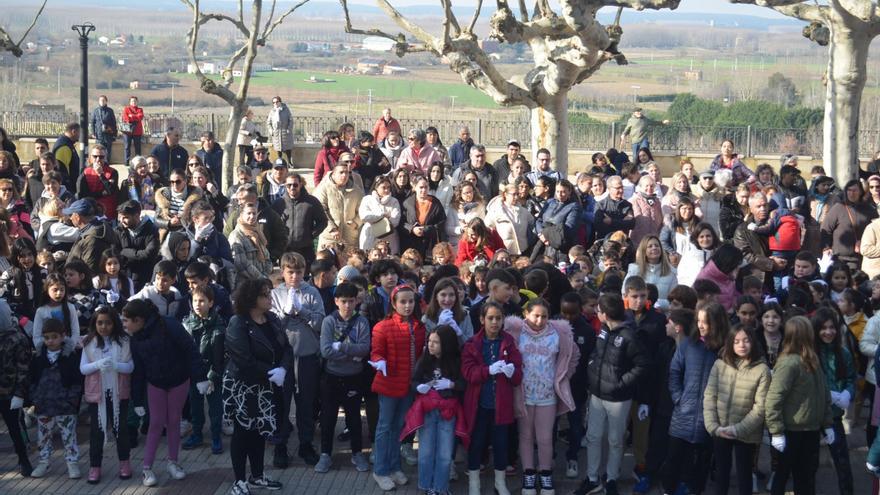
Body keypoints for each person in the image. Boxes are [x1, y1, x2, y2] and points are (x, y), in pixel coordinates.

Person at [122, 298, 209, 487]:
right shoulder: (135, 339)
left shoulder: (168, 324)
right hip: (156, 383)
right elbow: (138, 371)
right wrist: (137, 400)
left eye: (127, 320)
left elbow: (190, 350)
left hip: (179, 380)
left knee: (174, 421)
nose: (124, 324)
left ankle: (173, 462)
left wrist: (201, 377)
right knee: (156, 422)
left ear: (138, 320)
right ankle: (147, 468)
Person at [576, 293, 649, 495]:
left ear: (605, 313)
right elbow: (596, 353)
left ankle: (611, 479)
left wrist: (621, 383)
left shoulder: (629, 336)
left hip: (618, 399)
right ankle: (592, 478)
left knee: (616, 440)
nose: (596, 313)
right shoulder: (603, 330)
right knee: (593, 436)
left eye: (598, 310)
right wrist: (592, 368)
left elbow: (642, 365)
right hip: (597, 394)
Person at [224, 279, 292, 493]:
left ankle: (257, 475)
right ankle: (239, 480)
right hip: (244, 386)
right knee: (243, 433)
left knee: (260, 431)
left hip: (267, 385)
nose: (270, 297)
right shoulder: (238, 322)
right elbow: (243, 359)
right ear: (252, 299)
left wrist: (283, 368)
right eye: (265, 294)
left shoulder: (272, 318)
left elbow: (286, 348)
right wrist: (272, 372)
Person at [505, 298, 579, 495]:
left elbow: (572, 356)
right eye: (535, 315)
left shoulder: (558, 334)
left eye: (544, 316)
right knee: (526, 435)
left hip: (547, 395)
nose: (539, 320)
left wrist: (562, 377)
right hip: (524, 394)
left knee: (545, 438)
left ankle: (545, 473)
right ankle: (529, 473)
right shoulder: (516, 333)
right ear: (526, 314)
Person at [765, 316, 834, 495]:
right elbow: (774, 399)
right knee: (782, 475)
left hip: (810, 429)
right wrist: (777, 432)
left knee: (806, 477)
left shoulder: (812, 359)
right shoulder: (789, 363)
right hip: (791, 431)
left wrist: (827, 424)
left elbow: (823, 392)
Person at [270, 252, 326, 468]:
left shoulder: (312, 292)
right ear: (283, 272)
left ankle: (306, 444)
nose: (294, 276)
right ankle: (280, 445)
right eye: (290, 272)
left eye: (299, 272)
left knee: (306, 403)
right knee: (281, 404)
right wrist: (284, 314)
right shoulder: (275, 294)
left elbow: (320, 322)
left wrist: (303, 312)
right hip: (283, 358)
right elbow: (272, 325)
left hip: (307, 355)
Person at [662, 302, 724, 495]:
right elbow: (674, 372)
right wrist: (678, 397)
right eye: (699, 321)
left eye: (706, 322)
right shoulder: (688, 345)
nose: (701, 326)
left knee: (701, 463)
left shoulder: (725, 350)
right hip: (684, 413)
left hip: (709, 418)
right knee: (673, 459)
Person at [369, 284, 425, 491]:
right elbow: (376, 352)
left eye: (411, 301)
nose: (407, 305)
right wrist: (379, 361)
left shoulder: (419, 327)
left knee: (399, 428)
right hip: (389, 384)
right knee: (385, 427)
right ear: (393, 303)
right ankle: (381, 470)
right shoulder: (382, 327)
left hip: (409, 387)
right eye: (403, 301)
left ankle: (394, 466)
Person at [702, 325, 771, 495]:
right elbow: (710, 396)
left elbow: (760, 407)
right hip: (721, 429)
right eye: (737, 341)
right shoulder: (720, 365)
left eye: (746, 340)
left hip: (746, 433)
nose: (742, 345)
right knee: (721, 475)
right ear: (730, 343)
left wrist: (738, 429)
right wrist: (713, 427)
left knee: (744, 476)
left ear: (753, 343)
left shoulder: (762, 370)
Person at [401, 324, 467, 495]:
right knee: (426, 451)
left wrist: (451, 384)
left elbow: (463, 384)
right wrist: (419, 387)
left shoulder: (456, 361)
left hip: (447, 411)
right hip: (428, 410)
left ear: (446, 344)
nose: (430, 345)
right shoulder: (424, 360)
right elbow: (413, 382)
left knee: (445, 453)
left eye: (435, 342)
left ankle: (440, 486)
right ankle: (426, 484)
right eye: (429, 341)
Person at [315, 281, 371, 473]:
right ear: (336, 301)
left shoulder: (362, 322)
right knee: (329, 418)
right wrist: (351, 354)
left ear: (357, 301)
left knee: (354, 418)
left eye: (351, 301)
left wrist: (343, 347)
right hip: (332, 377)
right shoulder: (329, 321)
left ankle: (357, 453)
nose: (348, 306)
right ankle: (325, 454)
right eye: (344, 301)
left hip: (354, 377)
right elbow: (326, 350)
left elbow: (364, 349)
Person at [80, 306, 134, 484]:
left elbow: (130, 366)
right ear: (94, 323)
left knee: (121, 429)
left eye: (108, 323)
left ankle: (124, 463)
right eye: (100, 323)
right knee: (97, 431)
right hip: (98, 395)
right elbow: (83, 369)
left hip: (119, 393)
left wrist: (116, 366)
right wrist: (99, 364)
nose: (104, 326)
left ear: (114, 323)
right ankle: (95, 466)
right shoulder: (89, 342)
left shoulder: (124, 341)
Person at [26, 318, 82, 480]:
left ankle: (72, 462)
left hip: (65, 406)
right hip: (43, 405)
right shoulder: (38, 358)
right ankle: (43, 461)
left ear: (63, 336)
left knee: (69, 435)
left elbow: (77, 381)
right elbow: (32, 380)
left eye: (54, 336)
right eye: (47, 337)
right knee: (43, 436)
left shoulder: (70, 357)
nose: (50, 341)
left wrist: (72, 399)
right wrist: (35, 397)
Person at [812, 307, 856, 495]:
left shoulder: (843, 352)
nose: (828, 332)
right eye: (823, 328)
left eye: (832, 327)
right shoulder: (810, 354)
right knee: (809, 465)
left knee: (842, 463)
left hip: (835, 416)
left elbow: (851, 378)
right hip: (812, 419)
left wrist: (847, 393)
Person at [180, 285, 227, 454]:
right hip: (195, 375)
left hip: (213, 374)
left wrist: (213, 377)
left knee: (215, 408)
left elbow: (222, 355)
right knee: (195, 406)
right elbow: (185, 352)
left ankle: (215, 436)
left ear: (211, 302)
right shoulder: (187, 324)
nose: (198, 304)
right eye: (195, 301)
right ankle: (197, 434)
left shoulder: (219, 325)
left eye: (202, 301)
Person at [0, 298, 33, 478]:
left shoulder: (17, 339)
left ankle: (24, 459)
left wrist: (19, 394)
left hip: (9, 393)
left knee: (15, 428)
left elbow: (24, 369)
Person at [822, 179, 878, 272]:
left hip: (861, 257)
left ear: (860, 192)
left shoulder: (869, 209)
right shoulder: (838, 207)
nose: (851, 193)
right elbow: (826, 229)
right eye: (849, 190)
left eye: (855, 190)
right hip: (839, 258)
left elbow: (876, 230)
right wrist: (826, 247)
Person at [315, 162, 365, 253]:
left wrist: (356, 223)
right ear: (333, 174)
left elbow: (363, 210)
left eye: (347, 172)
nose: (344, 175)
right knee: (327, 265)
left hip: (350, 237)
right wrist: (332, 228)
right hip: (330, 237)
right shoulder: (323, 188)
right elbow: (319, 209)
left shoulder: (356, 190)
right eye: (341, 172)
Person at [535, 179, 582, 264]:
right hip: (543, 243)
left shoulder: (574, 207)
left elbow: (569, 228)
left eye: (563, 192)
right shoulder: (550, 202)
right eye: (557, 191)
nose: (560, 195)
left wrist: (547, 234)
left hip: (561, 248)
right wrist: (541, 234)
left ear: (569, 192)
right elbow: (539, 220)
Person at [623, 235, 677, 306]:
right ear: (644, 251)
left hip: (661, 314)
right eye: (650, 246)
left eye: (657, 245)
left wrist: (657, 303)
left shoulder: (671, 272)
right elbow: (624, 293)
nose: (654, 248)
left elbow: (674, 301)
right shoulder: (634, 270)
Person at [402, 176, 446, 261]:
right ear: (414, 188)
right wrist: (412, 229)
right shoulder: (407, 203)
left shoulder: (435, 203)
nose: (424, 190)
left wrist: (426, 230)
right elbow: (402, 222)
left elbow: (442, 222)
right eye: (421, 187)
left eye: (426, 187)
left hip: (429, 244)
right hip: (411, 243)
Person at [229, 203, 273, 286]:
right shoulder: (236, 236)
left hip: (261, 282)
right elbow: (241, 264)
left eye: (254, 213)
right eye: (249, 213)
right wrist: (261, 278)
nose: (252, 216)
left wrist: (265, 275)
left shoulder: (258, 232)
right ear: (242, 215)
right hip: (246, 284)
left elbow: (267, 256)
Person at [32, 273, 80, 348]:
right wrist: (43, 350)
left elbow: (75, 332)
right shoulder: (41, 311)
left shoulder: (70, 307)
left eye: (62, 290)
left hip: (66, 349)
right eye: (55, 290)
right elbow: (36, 336)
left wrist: (70, 347)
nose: (59, 293)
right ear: (47, 290)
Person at [485, 183, 533, 256]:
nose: (516, 197)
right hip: (505, 253)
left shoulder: (524, 211)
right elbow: (487, 228)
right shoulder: (495, 210)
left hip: (523, 252)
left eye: (517, 194)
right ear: (505, 194)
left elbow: (533, 224)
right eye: (513, 194)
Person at [155, 168, 203, 240]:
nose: (174, 184)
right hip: (168, 234)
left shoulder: (196, 195)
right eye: (172, 182)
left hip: (189, 233)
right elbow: (156, 219)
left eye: (178, 182)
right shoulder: (163, 195)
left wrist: (183, 221)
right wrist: (169, 223)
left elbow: (202, 216)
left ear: (185, 181)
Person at [359, 176, 402, 253]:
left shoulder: (394, 201)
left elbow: (395, 220)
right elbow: (364, 216)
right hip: (370, 234)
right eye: (383, 187)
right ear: (376, 187)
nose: (386, 190)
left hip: (389, 236)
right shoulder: (367, 199)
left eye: (388, 187)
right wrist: (382, 215)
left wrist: (376, 220)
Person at [76, 144, 120, 219]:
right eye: (95, 156)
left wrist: (101, 174)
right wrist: (102, 193)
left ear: (105, 158)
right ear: (90, 157)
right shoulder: (85, 171)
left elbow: (110, 190)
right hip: (91, 211)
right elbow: (82, 194)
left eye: (101, 157)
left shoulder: (113, 172)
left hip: (108, 213)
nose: (98, 159)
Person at [660, 196, 700, 267]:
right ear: (679, 209)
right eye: (684, 208)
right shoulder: (671, 222)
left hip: (694, 260)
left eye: (690, 208)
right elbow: (662, 241)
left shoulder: (697, 223)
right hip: (677, 261)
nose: (687, 211)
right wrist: (672, 253)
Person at [594, 175, 635, 241]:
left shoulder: (627, 205)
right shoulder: (601, 205)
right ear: (609, 189)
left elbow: (631, 224)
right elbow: (598, 226)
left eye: (622, 187)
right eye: (617, 188)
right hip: (605, 242)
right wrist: (622, 222)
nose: (621, 190)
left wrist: (611, 221)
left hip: (623, 243)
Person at [630, 175, 663, 247]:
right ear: (641, 187)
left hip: (654, 240)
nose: (649, 188)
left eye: (652, 186)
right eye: (646, 186)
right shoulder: (635, 200)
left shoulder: (657, 202)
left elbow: (660, 221)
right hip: (638, 240)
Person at [51, 122, 81, 187]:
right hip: (67, 187)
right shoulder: (64, 147)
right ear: (74, 132)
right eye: (79, 133)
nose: (80, 135)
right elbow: (61, 170)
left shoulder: (67, 144)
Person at [90, 95, 118, 164]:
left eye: (103, 100)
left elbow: (114, 122)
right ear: (99, 101)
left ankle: (107, 164)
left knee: (108, 151)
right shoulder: (96, 111)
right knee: (98, 150)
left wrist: (114, 133)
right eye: (100, 100)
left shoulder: (110, 111)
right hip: (99, 135)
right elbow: (93, 122)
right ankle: (98, 163)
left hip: (108, 134)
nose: (102, 102)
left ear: (106, 101)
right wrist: (93, 133)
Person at [267, 96, 294, 164]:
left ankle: (289, 162)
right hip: (276, 133)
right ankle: (280, 162)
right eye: (273, 102)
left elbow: (290, 120)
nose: (275, 103)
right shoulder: (272, 111)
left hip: (285, 132)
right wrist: (271, 131)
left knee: (288, 149)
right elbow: (268, 123)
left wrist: (289, 129)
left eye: (276, 102)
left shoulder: (286, 110)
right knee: (278, 149)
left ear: (280, 102)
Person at [121, 96, 144, 166]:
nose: (133, 102)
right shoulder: (126, 109)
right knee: (127, 146)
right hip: (127, 131)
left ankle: (138, 161)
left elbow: (140, 117)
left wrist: (131, 116)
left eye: (135, 101)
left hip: (137, 131)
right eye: (132, 101)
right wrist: (134, 116)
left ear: (137, 102)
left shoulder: (140, 109)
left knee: (138, 147)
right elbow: (126, 118)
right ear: (130, 102)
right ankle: (127, 162)